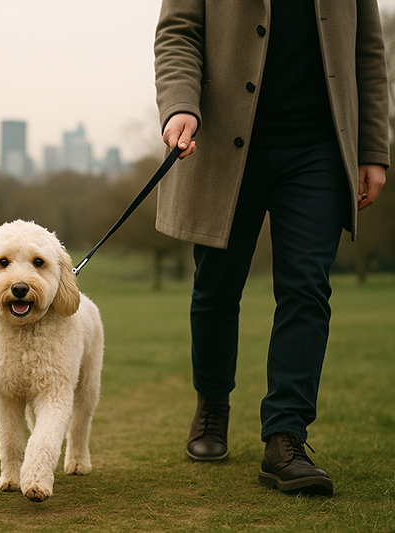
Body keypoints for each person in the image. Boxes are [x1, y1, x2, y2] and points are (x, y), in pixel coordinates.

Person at [154, 0, 389, 496]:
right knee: (216, 288)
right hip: (224, 141)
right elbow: (178, 33)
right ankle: (213, 403)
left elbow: (368, 50)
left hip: (320, 147)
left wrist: (373, 147)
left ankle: (286, 438)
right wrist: (179, 103)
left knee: (307, 288)